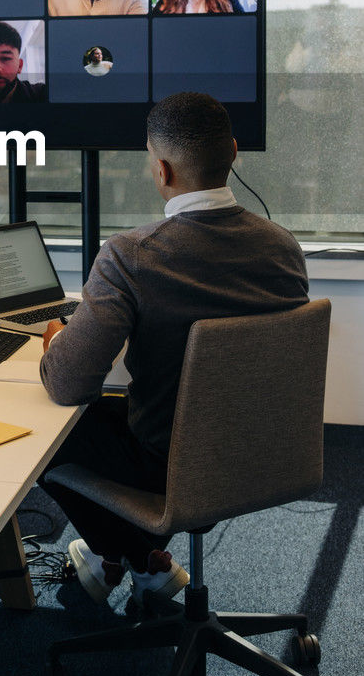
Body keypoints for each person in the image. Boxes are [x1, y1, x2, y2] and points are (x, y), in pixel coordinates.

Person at [38, 92, 308, 606]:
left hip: (171, 463)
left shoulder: (131, 256)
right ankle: (134, 561)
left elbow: (71, 384)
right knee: (115, 414)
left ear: (161, 169)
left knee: (51, 434)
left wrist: (58, 343)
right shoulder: (283, 246)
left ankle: (135, 557)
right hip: (267, 451)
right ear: (233, 152)